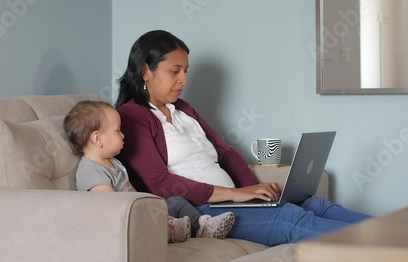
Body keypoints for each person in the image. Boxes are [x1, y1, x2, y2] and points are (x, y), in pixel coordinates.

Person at [115, 30, 371, 246]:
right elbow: (160, 183)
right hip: (202, 211)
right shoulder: (131, 116)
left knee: (315, 204)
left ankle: (400, 234)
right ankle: (388, 249)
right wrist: (234, 194)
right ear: (146, 71)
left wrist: (253, 194)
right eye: (175, 71)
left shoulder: (183, 108)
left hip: (232, 199)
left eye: (186, 71)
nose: (184, 79)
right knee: (291, 219)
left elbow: (225, 153)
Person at [63, 100, 235, 243]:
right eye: (118, 131)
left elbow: (132, 193)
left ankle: (204, 226)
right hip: (123, 221)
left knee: (176, 201)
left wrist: (153, 206)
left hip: (137, 210)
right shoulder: (91, 171)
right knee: (152, 218)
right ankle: (171, 230)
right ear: (98, 138)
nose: (123, 136)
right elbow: (112, 205)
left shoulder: (113, 163)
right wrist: (151, 213)